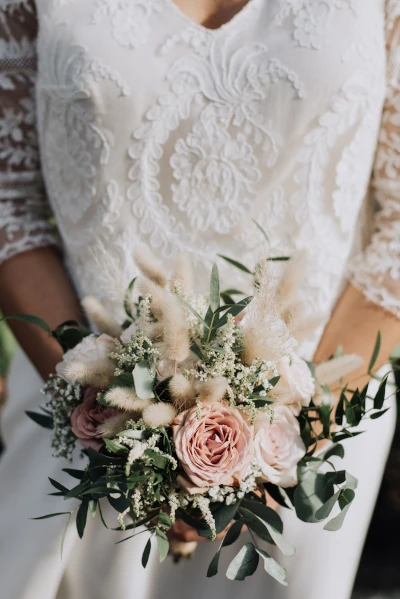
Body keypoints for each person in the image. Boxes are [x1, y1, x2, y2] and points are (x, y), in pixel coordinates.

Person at [0, 0, 399, 598]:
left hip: (320, 428)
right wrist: (115, 424)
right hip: (80, 419)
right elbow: (11, 204)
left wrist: (293, 434)